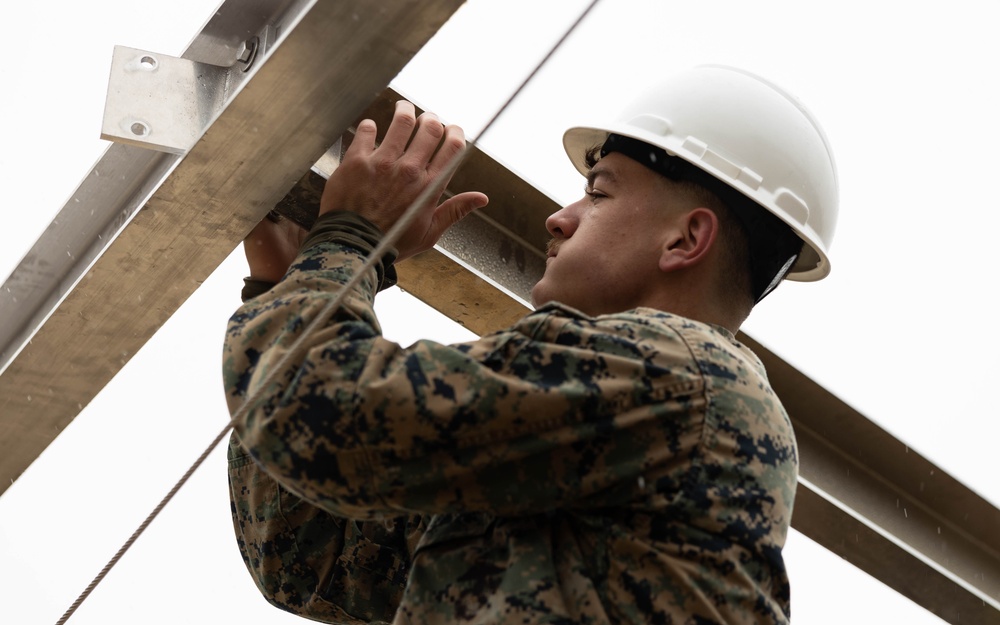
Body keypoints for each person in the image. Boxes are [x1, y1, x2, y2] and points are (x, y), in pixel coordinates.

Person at [223, 65, 838, 625]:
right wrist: (294, 282)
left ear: (685, 239)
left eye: (599, 192)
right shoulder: (607, 440)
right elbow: (309, 559)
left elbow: (319, 419)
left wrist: (349, 240)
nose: (559, 218)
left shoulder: (674, 368)